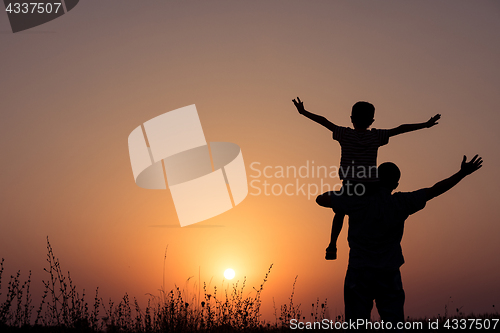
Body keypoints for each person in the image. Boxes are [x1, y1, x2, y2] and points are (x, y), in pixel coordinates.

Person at [316, 155, 483, 325]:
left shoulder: (356, 201)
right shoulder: (402, 202)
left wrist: (353, 190)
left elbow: (321, 199)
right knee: (395, 325)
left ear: (374, 179)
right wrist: (462, 174)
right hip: (389, 273)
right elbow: (434, 190)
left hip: (359, 272)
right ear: (396, 185)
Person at [292, 97, 441, 260]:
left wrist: (304, 112)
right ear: (372, 121)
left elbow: (324, 121)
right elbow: (400, 129)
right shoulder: (376, 136)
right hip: (371, 187)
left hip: (351, 185)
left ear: (351, 119)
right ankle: (371, 243)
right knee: (374, 209)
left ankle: (332, 245)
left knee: (340, 211)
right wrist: (425, 125)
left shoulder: (344, 133)